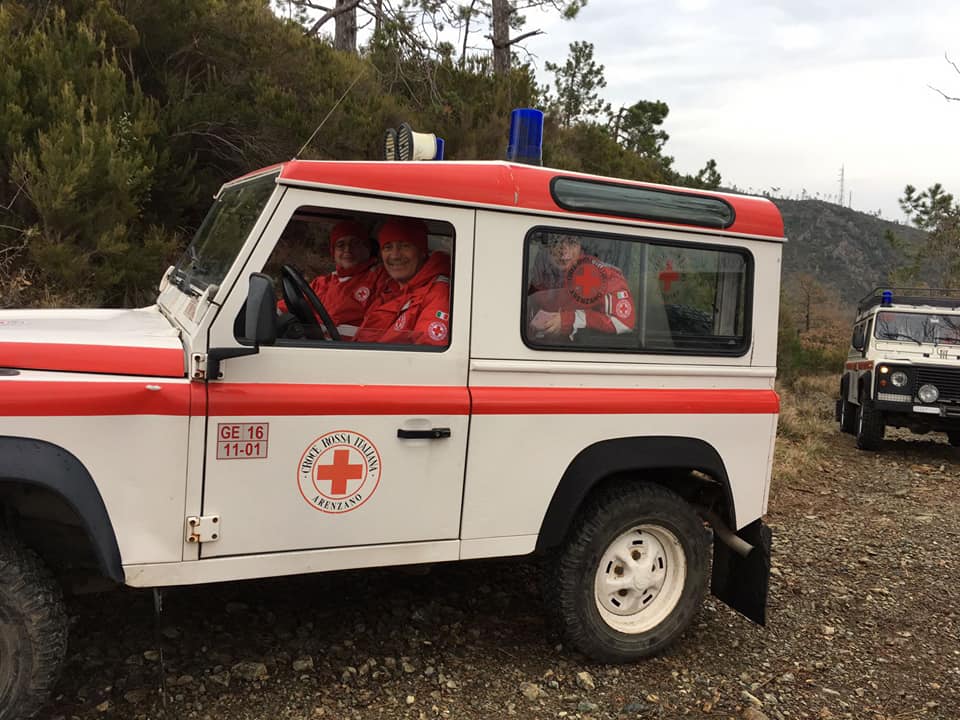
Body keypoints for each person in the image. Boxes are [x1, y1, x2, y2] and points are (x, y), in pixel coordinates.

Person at [353, 217, 451, 346]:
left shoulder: (438, 293)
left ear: (422, 252)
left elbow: (428, 355)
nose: (395, 255)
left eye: (404, 246)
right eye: (388, 247)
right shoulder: (388, 290)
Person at [278, 219, 381, 339]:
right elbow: (285, 306)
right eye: (340, 245)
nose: (347, 249)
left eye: (355, 243)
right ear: (333, 252)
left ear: (367, 248)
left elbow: (375, 328)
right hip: (319, 344)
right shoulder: (322, 283)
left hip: (348, 350)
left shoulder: (378, 278)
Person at [527, 233, 635, 341]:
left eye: (571, 242)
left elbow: (623, 323)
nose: (564, 251)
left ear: (580, 245)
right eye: (556, 242)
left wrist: (570, 320)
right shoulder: (543, 271)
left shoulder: (603, 274)